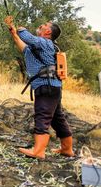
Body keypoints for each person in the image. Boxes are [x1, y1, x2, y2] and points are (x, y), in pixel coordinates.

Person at [4, 15, 74, 159]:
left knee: (42, 116)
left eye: (45, 25)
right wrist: (14, 33)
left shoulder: (45, 43)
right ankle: (67, 149)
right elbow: (23, 45)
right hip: (51, 88)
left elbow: (27, 37)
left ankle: (38, 151)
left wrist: (20, 29)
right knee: (57, 118)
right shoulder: (38, 48)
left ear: (48, 33)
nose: (41, 25)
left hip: (46, 87)